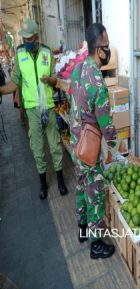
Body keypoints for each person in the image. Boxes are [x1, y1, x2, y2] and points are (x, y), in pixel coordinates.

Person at [69, 23, 126, 259]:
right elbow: (107, 126)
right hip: (90, 149)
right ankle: (95, 244)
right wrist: (120, 147)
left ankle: (82, 229)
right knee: (95, 194)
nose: (109, 50)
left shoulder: (78, 69)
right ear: (99, 49)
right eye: (107, 45)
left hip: (76, 143)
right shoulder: (98, 84)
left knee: (81, 185)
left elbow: (77, 103)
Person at [0, 19, 68, 200]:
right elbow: (16, 82)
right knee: (37, 149)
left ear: (36, 38)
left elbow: (55, 80)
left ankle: (60, 180)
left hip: (49, 108)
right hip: (32, 109)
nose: (25, 41)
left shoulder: (47, 52)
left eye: (28, 38)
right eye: (23, 38)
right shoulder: (20, 54)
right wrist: (1, 90)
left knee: (54, 145)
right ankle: (43, 184)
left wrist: (50, 80)